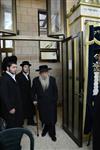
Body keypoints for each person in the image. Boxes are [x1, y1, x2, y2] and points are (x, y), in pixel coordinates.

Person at [32, 65, 58, 142]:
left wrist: (54, 100)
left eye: (45, 72)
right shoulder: (35, 80)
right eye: (42, 72)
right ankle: (45, 129)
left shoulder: (52, 79)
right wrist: (34, 99)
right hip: (42, 103)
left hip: (51, 103)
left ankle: (52, 134)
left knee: (52, 119)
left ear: (48, 72)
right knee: (43, 118)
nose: (44, 74)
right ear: (40, 73)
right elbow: (32, 91)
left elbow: (55, 92)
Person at [0, 56, 23, 128]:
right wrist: (10, 108)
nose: (15, 69)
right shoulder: (4, 78)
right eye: (13, 67)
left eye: (16, 67)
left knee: (16, 123)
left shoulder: (13, 76)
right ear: (7, 68)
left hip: (16, 106)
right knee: (11, 125)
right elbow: (3, 95)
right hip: (10, 109)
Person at [16, 61, 36, 126]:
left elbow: (29, 87)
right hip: (22, 97)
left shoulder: (28, 75)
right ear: (22, 67)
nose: (27, 68)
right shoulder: (18, 76)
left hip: (28, 97)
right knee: (22, 112)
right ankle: (20, 125)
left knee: (30, 110)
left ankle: (30, 122)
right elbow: (17, 88)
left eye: (28, 67)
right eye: (25, 67)